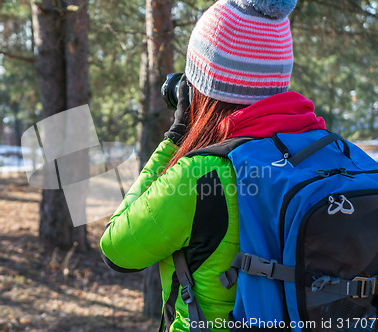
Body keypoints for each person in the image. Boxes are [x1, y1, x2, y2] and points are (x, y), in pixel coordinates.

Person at [100, 0, 326, 330]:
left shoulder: (201, 176)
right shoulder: (329, 153)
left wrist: (176, 138)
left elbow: (116, 249)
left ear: (203, 91)